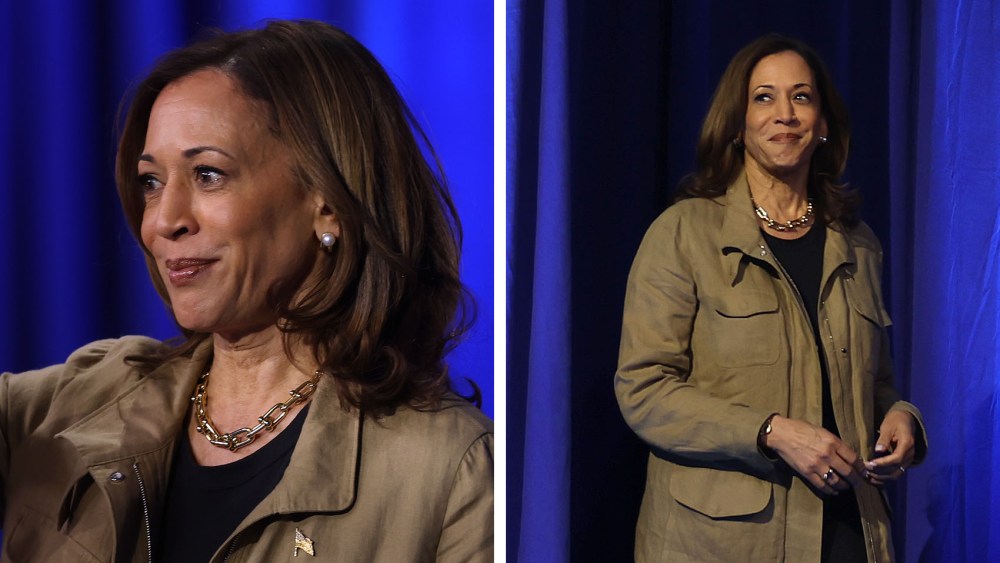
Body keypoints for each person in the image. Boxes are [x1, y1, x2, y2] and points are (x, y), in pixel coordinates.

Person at [0, 20, 492, 562]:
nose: (163, 222)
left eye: (209, 175)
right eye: (151, 182)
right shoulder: (78, 400)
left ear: (327, 201)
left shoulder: (452, 473)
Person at [615, 34, 927, 562]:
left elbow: (875, 385)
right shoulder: (683, 233)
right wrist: (769, 432)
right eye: (764, 97)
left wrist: (901, 419)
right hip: (723, 542)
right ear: (736, 124)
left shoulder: (857, 242)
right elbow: (643, 390)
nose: (784, 113)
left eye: (802, 97)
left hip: (851, 534)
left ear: (823, 124)